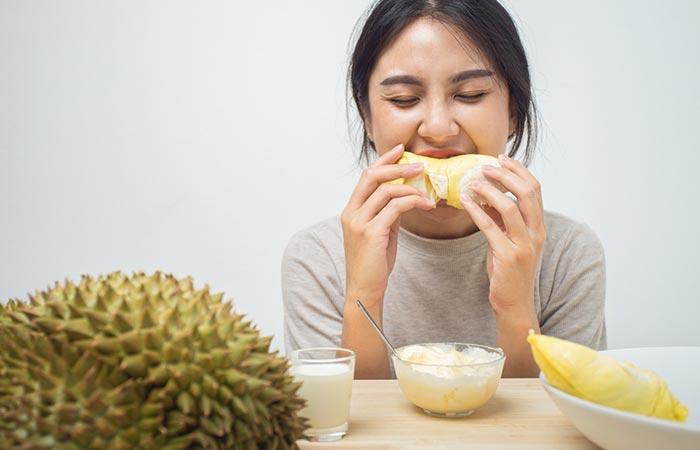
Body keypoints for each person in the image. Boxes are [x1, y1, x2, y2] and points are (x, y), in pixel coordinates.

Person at [282, 0, 606, 379]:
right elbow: (342, 426)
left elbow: (554, 428)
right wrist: (363, 298)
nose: (437, 128)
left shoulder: (567, 255)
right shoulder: (318, 260)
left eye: (469, 94)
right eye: (404, 99)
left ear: (514, 111)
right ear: (366, 117)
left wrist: (516, 307)